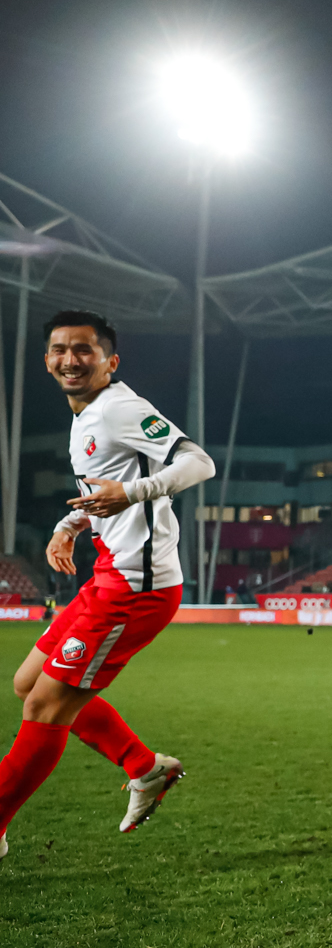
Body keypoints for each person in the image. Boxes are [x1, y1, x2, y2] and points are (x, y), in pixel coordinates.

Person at [0, 311, 215, 859]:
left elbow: (198, 463)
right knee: (29, 683)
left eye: (84, 350)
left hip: (138, 589)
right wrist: (68, 527)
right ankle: (146, 768)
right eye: (59, 350)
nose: (70, 360)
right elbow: (103, 492)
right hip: (108, 574)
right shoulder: (87, 415)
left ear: (109, 361)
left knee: (46, 707)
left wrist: (136, 492)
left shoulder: (121, 408)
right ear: (47, 360)